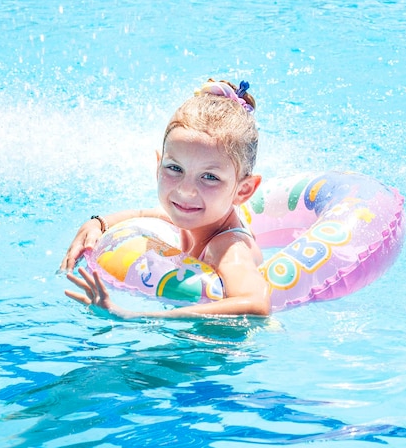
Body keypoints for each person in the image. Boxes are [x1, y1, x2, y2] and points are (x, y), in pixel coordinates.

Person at [62, 79, 271, 319]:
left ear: (243, 190)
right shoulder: (199, 219)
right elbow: (142, 214)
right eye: (175, 168)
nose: (186, 191)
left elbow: (256, 304)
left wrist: (134, 316)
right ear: (158, 166)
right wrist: (97, 223)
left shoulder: (228, 249)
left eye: (210, 177)